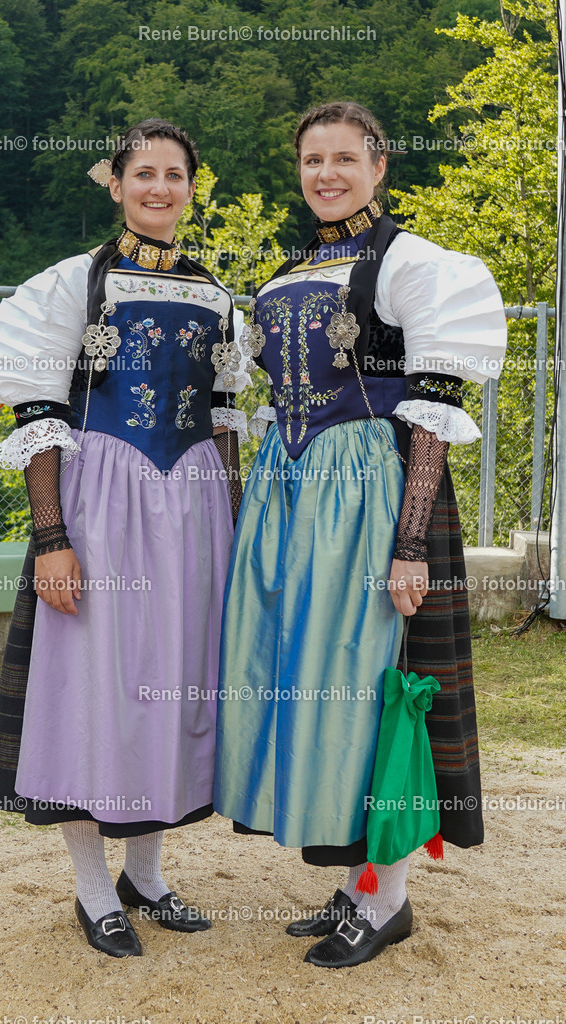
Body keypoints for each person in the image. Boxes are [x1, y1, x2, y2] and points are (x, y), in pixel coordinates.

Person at [213, 101, 507, 969]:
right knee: (314, 681)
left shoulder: (413, 264)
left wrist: (408, 542)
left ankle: (388, 899)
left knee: (377, 682)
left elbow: (432, 412)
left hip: (372, 500)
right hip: (294, 500)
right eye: (312, 160)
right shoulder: (286, 270)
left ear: (380, 166)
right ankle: (355, 885)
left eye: (346, 158)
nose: (327, 174)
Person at [0, 119, 250, 958]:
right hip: (100, 502)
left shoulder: (216, 294)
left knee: (176, 681)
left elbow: (227, 416)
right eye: (143, 175)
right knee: (95, 685)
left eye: (174, 175)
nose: (158, 189)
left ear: (193, 186)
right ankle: (93, 888)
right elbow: (39, 415)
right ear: (117, 184)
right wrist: (52, 535)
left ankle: (147, 875)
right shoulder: (74, 284)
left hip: (194, 508)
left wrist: (229, 523)